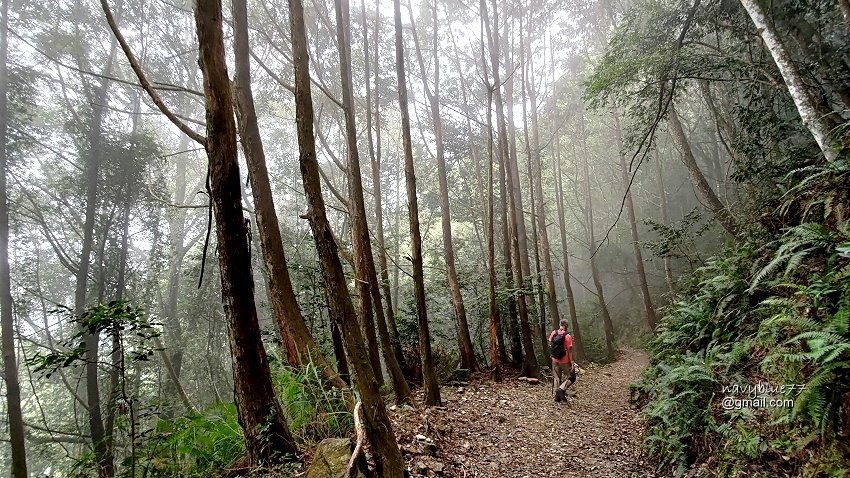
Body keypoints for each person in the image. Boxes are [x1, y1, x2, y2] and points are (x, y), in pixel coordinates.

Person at [549, 319, 575, 402]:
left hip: (554, 359)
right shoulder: (567, 336)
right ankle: (561, 389)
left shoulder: (554, 333)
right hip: (564, 360)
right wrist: (572, 362)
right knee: (572, 377)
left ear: (560, 324)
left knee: (557, 377)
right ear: (566, 326)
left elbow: (551, 344)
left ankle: (557, 397)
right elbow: (570, 351)